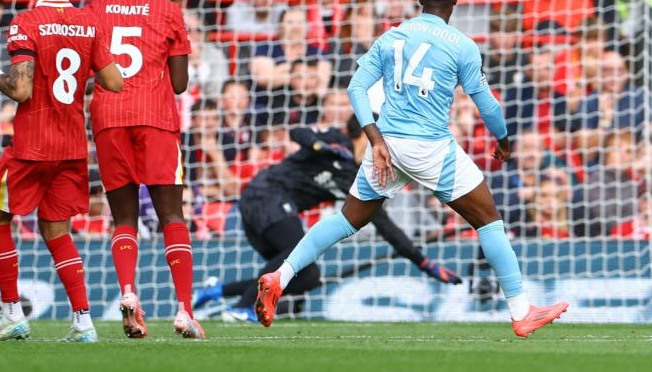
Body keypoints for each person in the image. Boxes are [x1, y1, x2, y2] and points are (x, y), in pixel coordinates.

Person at [253, 0, 569, 336]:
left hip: (387, 145)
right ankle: (521, 310)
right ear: (455, 2)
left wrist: (375, 140)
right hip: (431, 148)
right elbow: (488, 104)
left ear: (419, 1)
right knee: (489, 221)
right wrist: (502, 140)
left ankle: (281, 275)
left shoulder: (392, 36)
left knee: (347, 220)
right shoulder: (462, 45)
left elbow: (356, 89)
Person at [0, 0, 123, 343]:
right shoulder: (90, 22)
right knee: (56, 230)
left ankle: (13, 313)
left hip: (31, 146)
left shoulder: (26, 22)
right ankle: (84, 322)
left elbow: (20, 91)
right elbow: (114, 81)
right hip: (72, 147)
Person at [193, 116, 462, 322]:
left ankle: (216, 292)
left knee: (306, 275)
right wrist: (322, 146)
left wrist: (424, 263)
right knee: (295, 253)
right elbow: (298, 132)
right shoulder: (336, 141)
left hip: (270, 209)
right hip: (267, 193)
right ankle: (243, 307)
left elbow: (386, 226)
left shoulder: (360, 177)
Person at [85, 0, 203, 339]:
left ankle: (128, 293)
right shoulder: (168, 10)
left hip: (109, 119)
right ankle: (184, 310)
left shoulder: (94, 10)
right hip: (155, 119)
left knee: (123, 219)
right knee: (172, 216)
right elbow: (181, 83)